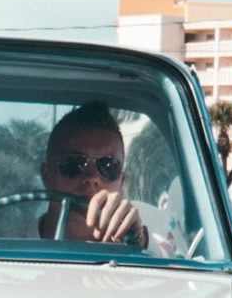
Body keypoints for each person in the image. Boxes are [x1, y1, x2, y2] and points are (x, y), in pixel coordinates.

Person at [37, 103, 153, 249]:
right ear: (46, 175)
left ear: (121, 181)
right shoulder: (6, 248)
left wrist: (137, 241)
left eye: (108, 166)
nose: (92, 178)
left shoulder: (154, 247)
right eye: (73, 163)